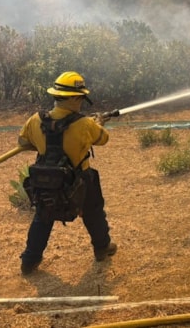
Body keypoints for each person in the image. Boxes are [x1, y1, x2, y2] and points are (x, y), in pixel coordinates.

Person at [17, 71, 117, 275]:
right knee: (94, 213)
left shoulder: (35, 120)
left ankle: (29, 261)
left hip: (46, 180)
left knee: (42, 218)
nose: (81, 103)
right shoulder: (85, 124)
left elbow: (22, 141)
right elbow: (103, 139)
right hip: (80, 180)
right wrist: (98, 123)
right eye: (80, 98)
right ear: (73, 98)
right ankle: (102, 248)